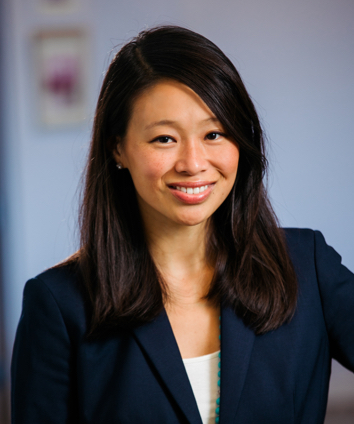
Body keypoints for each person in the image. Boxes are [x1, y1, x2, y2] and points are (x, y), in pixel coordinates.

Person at [11, 25, 354, 424]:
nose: (193, 163)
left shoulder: (307, 267)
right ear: (117, 147)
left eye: (214, 133)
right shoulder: (58, 305)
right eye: (164, 139)